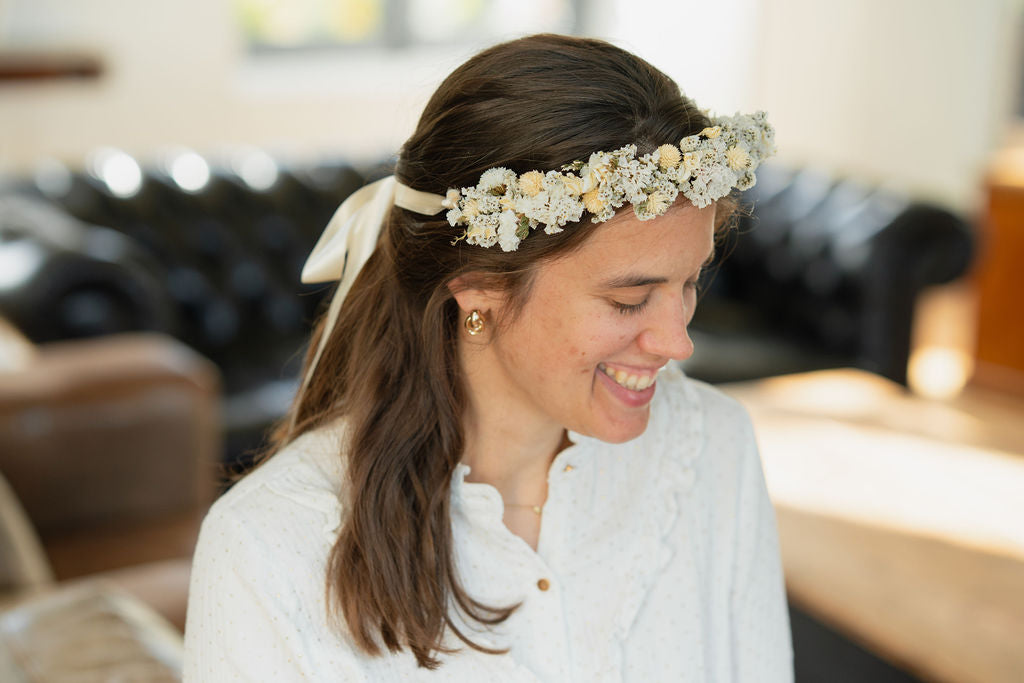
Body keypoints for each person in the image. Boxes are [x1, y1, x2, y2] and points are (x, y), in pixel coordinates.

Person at [183, 33, 793, 681]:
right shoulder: (266, 550)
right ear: (478, 285)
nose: (678, 342)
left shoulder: (713, 450)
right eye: (628, 300)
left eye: (691, 282)